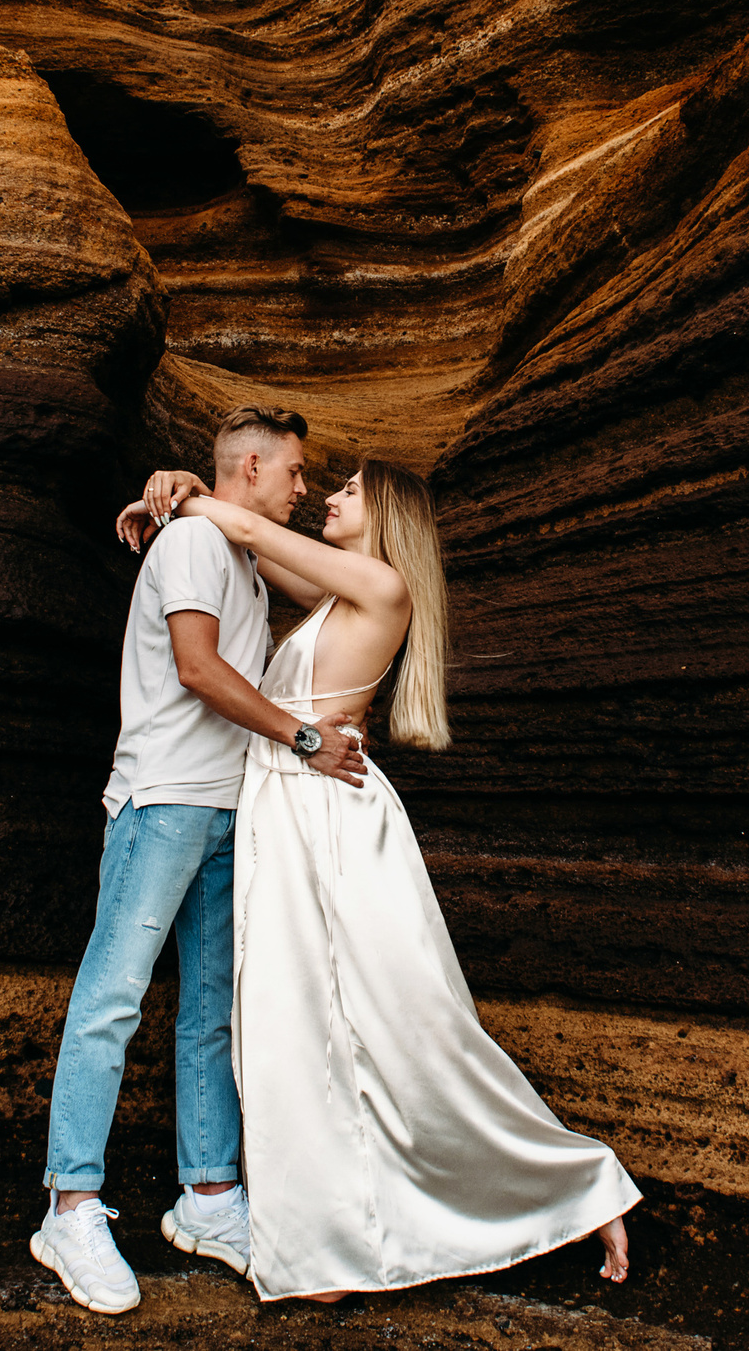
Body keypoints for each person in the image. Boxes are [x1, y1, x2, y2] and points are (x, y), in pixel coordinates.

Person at [118, 458, 637, 1304]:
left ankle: (577, 1185)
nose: (328, 495)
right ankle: (328, 1238)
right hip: (289, 812)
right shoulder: (340, 588)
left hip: (329, 817)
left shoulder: (382, 584)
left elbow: (244, 527)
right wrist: (177, 493)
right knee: (300, 1023)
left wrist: (188, 492)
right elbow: (245, 543)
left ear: (386, 513)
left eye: (350, 490)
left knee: (404, 1018)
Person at [32, 406, 369, 1316]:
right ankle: (69, 1207)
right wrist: (304, 738)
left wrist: (183, 488)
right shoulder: (189, 545)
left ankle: (209, 1198)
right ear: (251, 466)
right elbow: (197, 667)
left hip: (224, 808)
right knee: (112, 999)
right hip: (164, 800)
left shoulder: (239, 555)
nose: (302, 487)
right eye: (293, 471)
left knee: (211, 1009)